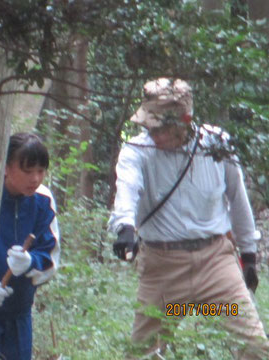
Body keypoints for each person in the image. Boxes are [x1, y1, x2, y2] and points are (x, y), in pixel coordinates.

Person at [108, 78, 268, 359]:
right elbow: (128, 189)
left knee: (254, 347)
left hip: (216, 264)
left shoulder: (216, 144)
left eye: (161, 128)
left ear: (185, 120)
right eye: (149, 126)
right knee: (142, 353)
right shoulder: (137, 151)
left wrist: (249, 254)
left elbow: (237, 198)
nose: (153, 135)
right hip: (163, 268)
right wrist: (125, 228)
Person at [0, 132, 60, 360]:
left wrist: (30, 263)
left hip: (19, 315)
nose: (35, 178)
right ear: (6, 167)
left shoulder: (43, 200)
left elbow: (50, 257)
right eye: (27, 171)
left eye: (40, 170)